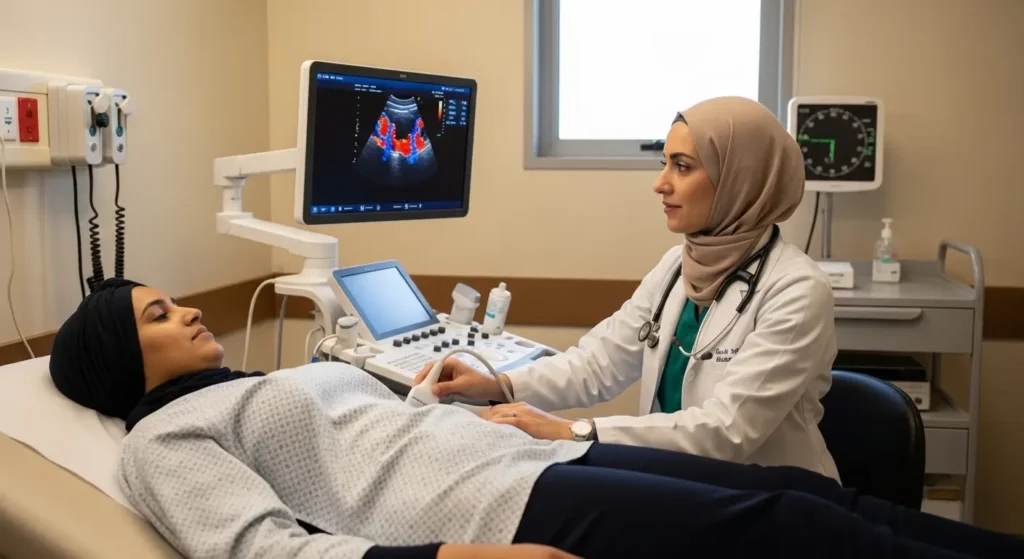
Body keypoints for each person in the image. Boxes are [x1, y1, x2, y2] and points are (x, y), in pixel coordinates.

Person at [46, 278, 1023, 559]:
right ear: (121, 360)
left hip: (497, 457)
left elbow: (366, 439)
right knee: (789, 529)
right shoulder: (164, 441)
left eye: (176, 299)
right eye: (158, 315)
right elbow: (262, 551)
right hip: (489, 509)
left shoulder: (248, 386)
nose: (189, 312)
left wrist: (444, 388)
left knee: (798, 491)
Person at [415, 96, 839, 478]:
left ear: (738, 180)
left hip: (772, 499)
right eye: (665, 165)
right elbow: (597, 364)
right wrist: (495, 384)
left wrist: (572, 431)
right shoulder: (677, 267)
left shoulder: (796, 290)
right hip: (684, 484)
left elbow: (727, 431)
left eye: (683, 166)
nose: (661, 183)